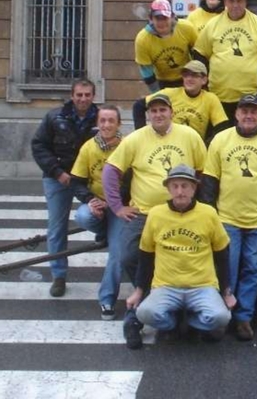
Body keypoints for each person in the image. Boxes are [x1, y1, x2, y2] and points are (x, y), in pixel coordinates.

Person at [102, 93, 206, 343]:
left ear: (171, 112)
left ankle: (176, 307)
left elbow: (203, 171)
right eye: (154, 111)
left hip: (179, 212)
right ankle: (148, 293)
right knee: (127, 255)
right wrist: (117, 207)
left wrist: (198, 204)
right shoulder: (136, 139)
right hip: (144, 213)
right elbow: (111, 170)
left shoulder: (189, 136)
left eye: (163, 110)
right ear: (148, 115)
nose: (158, 115)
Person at [199, 94, 257, 341]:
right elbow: (209, 182)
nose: (249, 115)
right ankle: (223, 314)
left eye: (253, 111)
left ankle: (244, 317)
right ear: (236, 114)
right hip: (227, 219)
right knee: (227, 269)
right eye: (244, 111)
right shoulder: (220, 139)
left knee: (253, 269)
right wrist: (210, 216)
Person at [124, 164, 236, 349]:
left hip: (202, 286)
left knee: (221, 317)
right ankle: (173, 323)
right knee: (145, 313)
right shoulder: (156, 214)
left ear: (194, 188)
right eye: (175, 186)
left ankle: (192, 322)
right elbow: (146, 255)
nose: (180, 191)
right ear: (168, 189)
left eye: (185, 186)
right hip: (166, 285)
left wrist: (226, 292)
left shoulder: (208, 213)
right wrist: (139, 290)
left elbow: (222, 255)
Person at [31, 79, 99, 297]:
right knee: (57, 228)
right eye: (79, 95)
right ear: (72, 95)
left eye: (87, 95)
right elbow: (39, 145)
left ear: (93, 96)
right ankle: (58, 275)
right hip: (58, 178)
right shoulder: (54, 116)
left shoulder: (102, 117)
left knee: (100, 215)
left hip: (89, 179)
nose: (83, 99)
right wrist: (57, 172)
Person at [193, 0, 257, 120]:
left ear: (246, 1)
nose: (235, 5)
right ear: (225, 2)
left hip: (250, 98)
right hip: (217, 96)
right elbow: (200, 56)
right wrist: (206, 83)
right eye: (231, 0)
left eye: (239, 0)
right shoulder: (212, 25)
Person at [70, 105, 125, 319]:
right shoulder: (88, 148)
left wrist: (116, 203)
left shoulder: (128, 145)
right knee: (82, 215)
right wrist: (91, 200)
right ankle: (104, 231)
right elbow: (77, 182)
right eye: (103, 120)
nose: (107, 125)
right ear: (97, 123)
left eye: (111, 120)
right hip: (97, 203)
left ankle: (107, 299)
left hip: (119, 205)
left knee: (117, 254)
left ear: (118, 123)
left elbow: (134, 179)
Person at [132, 60, 230, 141]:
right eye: (186, 75)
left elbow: (222, 127)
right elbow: (138, 106)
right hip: (168, 143)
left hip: (195, 146)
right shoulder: (170, 93)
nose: (189, 79)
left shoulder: (210, 98)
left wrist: (208, 145)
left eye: (194, 75)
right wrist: (142, 136)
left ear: (204, 79)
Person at [134, 0, 198, 93]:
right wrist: (157, 93)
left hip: (187, 76)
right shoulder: (143, 39)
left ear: (172, 16)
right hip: (161, 80)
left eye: (165, 18)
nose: (161, 22)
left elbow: (199, 54)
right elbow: (146, 71)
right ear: (151, 19)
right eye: (157, 18)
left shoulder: (186, 28)